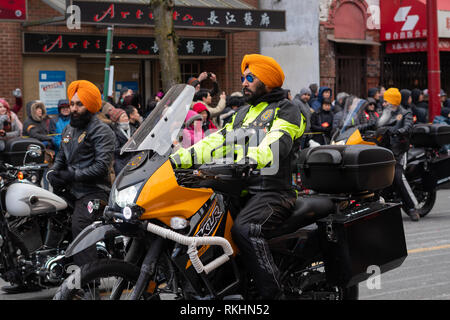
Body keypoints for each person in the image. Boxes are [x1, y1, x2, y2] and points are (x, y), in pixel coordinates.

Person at [171, 54, 305, 299]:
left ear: (267, 81)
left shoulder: (288, 110)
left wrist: (253, 157)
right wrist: (180, 158)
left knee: (245, 230)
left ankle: (272, 295)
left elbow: (278, 141)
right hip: (240, 189)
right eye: (243, 78)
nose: (243, 83)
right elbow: (216, 141)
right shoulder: (243, 113)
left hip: (273, 192)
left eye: (250, 78)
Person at [47, 80, 116, 266]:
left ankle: (88, 282)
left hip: (95, 192)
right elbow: (61, 155)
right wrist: (54, 172)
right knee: (46, 213)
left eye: (79, 104)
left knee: (80, 224)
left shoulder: (102, 131)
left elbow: (101, 166)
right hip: (71, 190)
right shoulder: (69, 128)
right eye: (72, 103)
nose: (74, 108)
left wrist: (73, 175)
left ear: (91, 105)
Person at [377, 88, 419, 222]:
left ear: (393, 102)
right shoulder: (385, 113)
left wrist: (398, 131)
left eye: (386, 101)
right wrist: (358, 128)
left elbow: (408, 127)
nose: (383, 104)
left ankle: (412, 207)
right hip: (385, 150)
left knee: (398, 176)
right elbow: (374, 124)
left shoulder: (405, 113)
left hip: (399, 151)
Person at [110, 108, 136, 175]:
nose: (126, 118)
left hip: (135, 159)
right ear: (118, 120)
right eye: (123, 116)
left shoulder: (133, 129)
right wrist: (127, 145)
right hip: (122, 162)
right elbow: (116, 150)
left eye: (126, 116)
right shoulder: (114, 132)